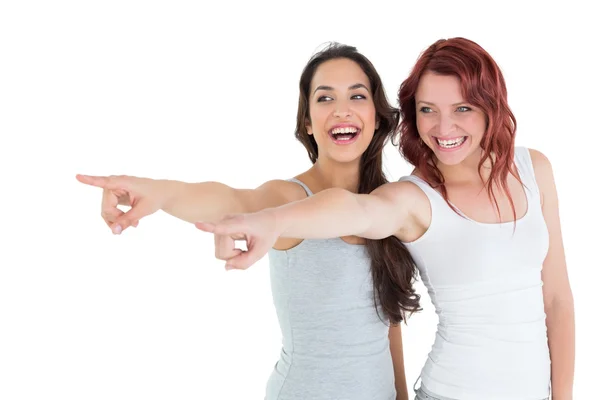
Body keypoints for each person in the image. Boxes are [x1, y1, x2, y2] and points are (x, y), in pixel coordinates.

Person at [196, 37, 575, 400]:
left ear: (490, 104)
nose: (444, 128)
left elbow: (557, 298)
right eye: (428, 110)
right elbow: (354, 210)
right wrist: (273, 220)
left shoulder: (532, 168)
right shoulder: (413, 196)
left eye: (463, 108)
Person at [76, 42, 420, 400]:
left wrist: (400, 394)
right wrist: (162, 192)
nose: (342, 111)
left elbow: (389, 322)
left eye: (357, 96)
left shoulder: (387, 204)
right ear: (308, 121)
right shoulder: (287, 199)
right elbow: (234, 200)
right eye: (325, 98)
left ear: (377, 116)